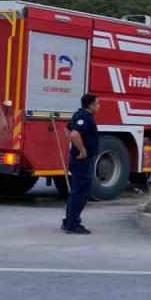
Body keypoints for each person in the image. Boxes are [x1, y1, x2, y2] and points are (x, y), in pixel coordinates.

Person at [62, 93, 100, 235]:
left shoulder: (79, 115)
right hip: (81, 160)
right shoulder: (84, 117)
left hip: (79, 160)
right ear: (90, 105)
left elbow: (67, 130)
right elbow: (74, 134)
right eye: (97, 103)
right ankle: (73, 224)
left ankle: (68, 221)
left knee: (77, 191)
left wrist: (75, 145)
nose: (99, 106)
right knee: (81, 192)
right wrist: (82, 149)